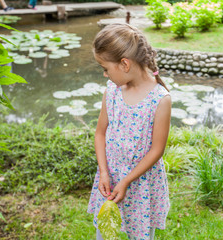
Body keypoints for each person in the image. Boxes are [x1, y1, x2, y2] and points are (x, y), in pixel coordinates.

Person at [87, 23, 171, 240]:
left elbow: (157, 150)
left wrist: (126, 181)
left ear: (124, 64)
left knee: (140, 234)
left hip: (140, 181)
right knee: (105, 231)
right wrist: (104, 172)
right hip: (111, 174)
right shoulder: (112, 90)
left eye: (105, 68)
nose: (105, 75)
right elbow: (100, 133)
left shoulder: (159, 99)